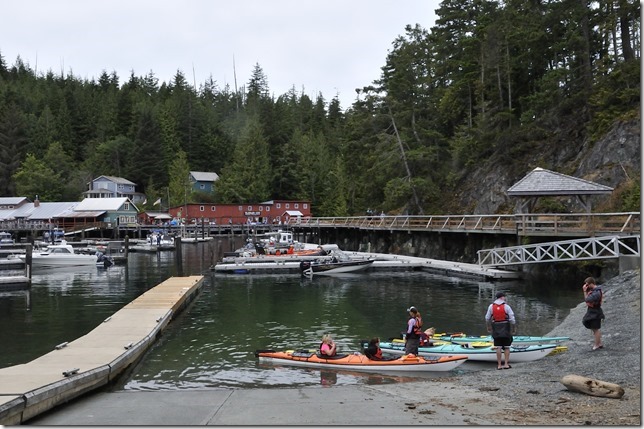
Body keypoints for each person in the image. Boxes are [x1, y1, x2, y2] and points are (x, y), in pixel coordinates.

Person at [485, 292, 516, 370]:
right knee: (507, 347)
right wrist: (513, 328)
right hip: (505, 327)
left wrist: (488, 326)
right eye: (504, 297)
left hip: (496, 327)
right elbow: (512, 319)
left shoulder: (491, 306)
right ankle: (506, 364)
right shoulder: (506, 306)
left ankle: (499, 365)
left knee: (498, 347)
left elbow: (487, 318)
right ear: (502, 297)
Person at [582, 277, 604, 350]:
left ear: (591, 283)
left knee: (595, 328)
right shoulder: (594, 290)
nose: (586, 286)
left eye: (587, 284)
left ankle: (597, 344)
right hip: (591, 311)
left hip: (595, 311)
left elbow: (587, 300)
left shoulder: (596, 292)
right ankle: (599, 343)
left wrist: (584, 291)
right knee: (588, 323)